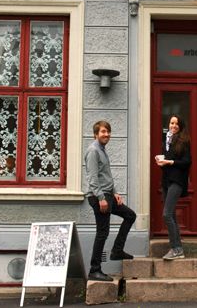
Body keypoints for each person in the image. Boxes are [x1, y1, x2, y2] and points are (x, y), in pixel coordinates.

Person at [85, 120, 136, 282]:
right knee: (102, 232)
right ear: (96, 134)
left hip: (108, 195)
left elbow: (105, 175)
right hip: (99, 196)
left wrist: (115, 193)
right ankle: (95, 269)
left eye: (108, 131)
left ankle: (117, 250)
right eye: (103, 132)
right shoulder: (93, 150)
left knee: (130, 215)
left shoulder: (102, 150)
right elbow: (93, 179)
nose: (106, 134)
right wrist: (101, 198)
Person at [155, 114, 191, 261]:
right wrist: (161, 161)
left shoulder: (184, 141)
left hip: (177, 181)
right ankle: (178, 249)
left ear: (180, 126)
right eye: (171, 123)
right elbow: (167, 161)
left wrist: (170, 162)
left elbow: (187, 162)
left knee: (167, 214)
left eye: (176, 124)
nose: (173, 126)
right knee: (172, 216)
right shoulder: (167, 141)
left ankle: (176, 248)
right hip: (166, 182)